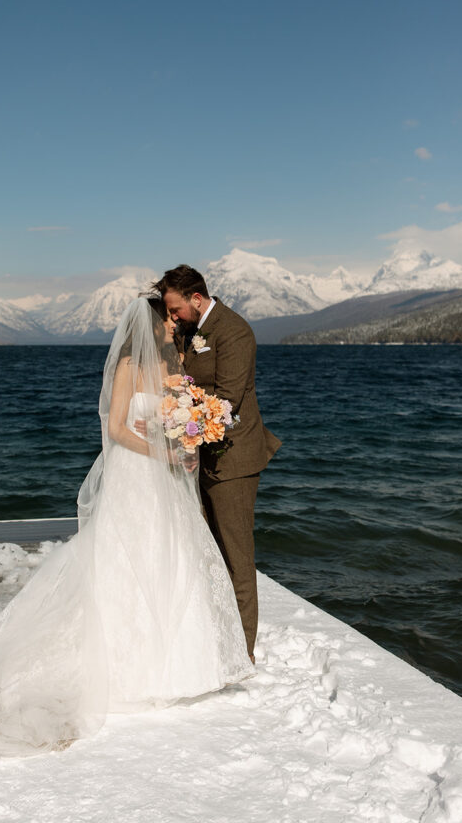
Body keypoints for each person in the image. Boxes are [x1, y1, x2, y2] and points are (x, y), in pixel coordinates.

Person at [0, 297, 252, 769]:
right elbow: (116, 428)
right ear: (152, 324)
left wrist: (185, 441)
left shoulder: (173, 364)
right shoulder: (131, 365)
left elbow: (168, 420)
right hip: (136, 475)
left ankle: (180, 663)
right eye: (168, 319)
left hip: (167, 479)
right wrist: (163, 452)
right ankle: (126, 669)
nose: (174, 323)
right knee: (126, 557)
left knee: (170, 557)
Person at [155, 265, 281, 664]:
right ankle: (217, 639)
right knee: (212, 552)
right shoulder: (192, 330)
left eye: (176, 308)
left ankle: (242, 654)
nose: (173, 316)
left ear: (196, 298)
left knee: (237, 557)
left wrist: (182, 421)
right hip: (204, 457)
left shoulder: (235, 331)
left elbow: (227, 401)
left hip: (234, 459)